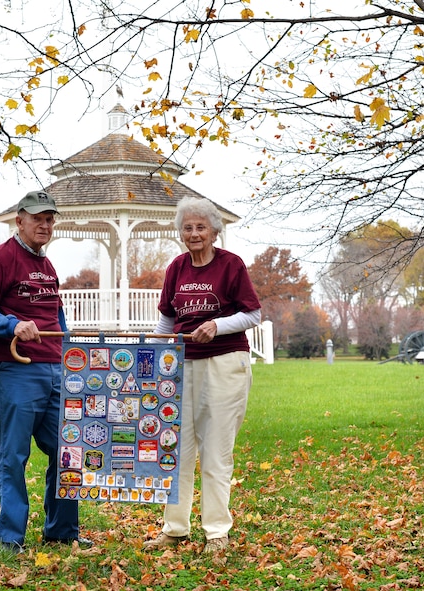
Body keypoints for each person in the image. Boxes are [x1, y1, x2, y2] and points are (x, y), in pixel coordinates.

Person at [0, 190, 89, 554]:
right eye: (38, 218)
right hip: (17, 370)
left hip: (55, 370)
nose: (45, 225)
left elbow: (57, 317)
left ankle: (62, 531)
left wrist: (70, 351)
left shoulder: (47, 266)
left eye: (50, 219)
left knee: (68, 451)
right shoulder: (1, 258)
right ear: (19, 220)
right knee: (14, 455)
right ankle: (10, 539)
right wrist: (12, 324)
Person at [143, 196, 261, 555]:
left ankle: (216, 532)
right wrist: (154, 347)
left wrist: (217, 325)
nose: (194, 233)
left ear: (214, 231)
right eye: (188, 227)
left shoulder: (231, 265)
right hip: (181, 366)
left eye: (200, 227)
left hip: (225, 363)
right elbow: (166, 319)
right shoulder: (177, 268)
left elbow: (252, 314)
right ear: (181, 232)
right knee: (176, 449)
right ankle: (175, 528)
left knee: (216, 452)